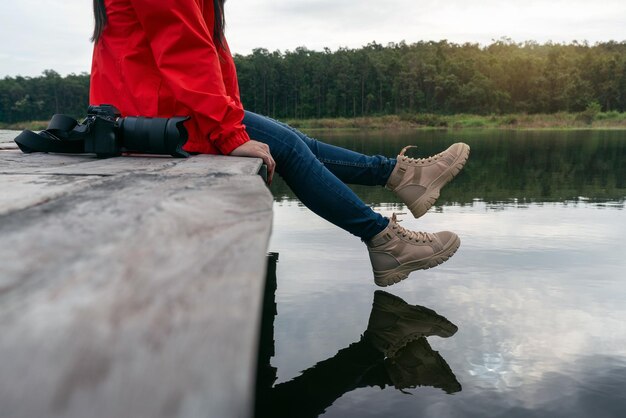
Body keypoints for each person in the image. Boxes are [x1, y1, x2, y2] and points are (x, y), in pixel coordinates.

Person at [89, 0, 470, 286]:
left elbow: (207, 53)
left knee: (291, 140)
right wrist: (228, 132)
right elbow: (184, 51)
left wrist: (232, 117)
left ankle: (400, 177)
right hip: (154, 119)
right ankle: (384, 238)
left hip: (155, 110)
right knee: (286, 147)